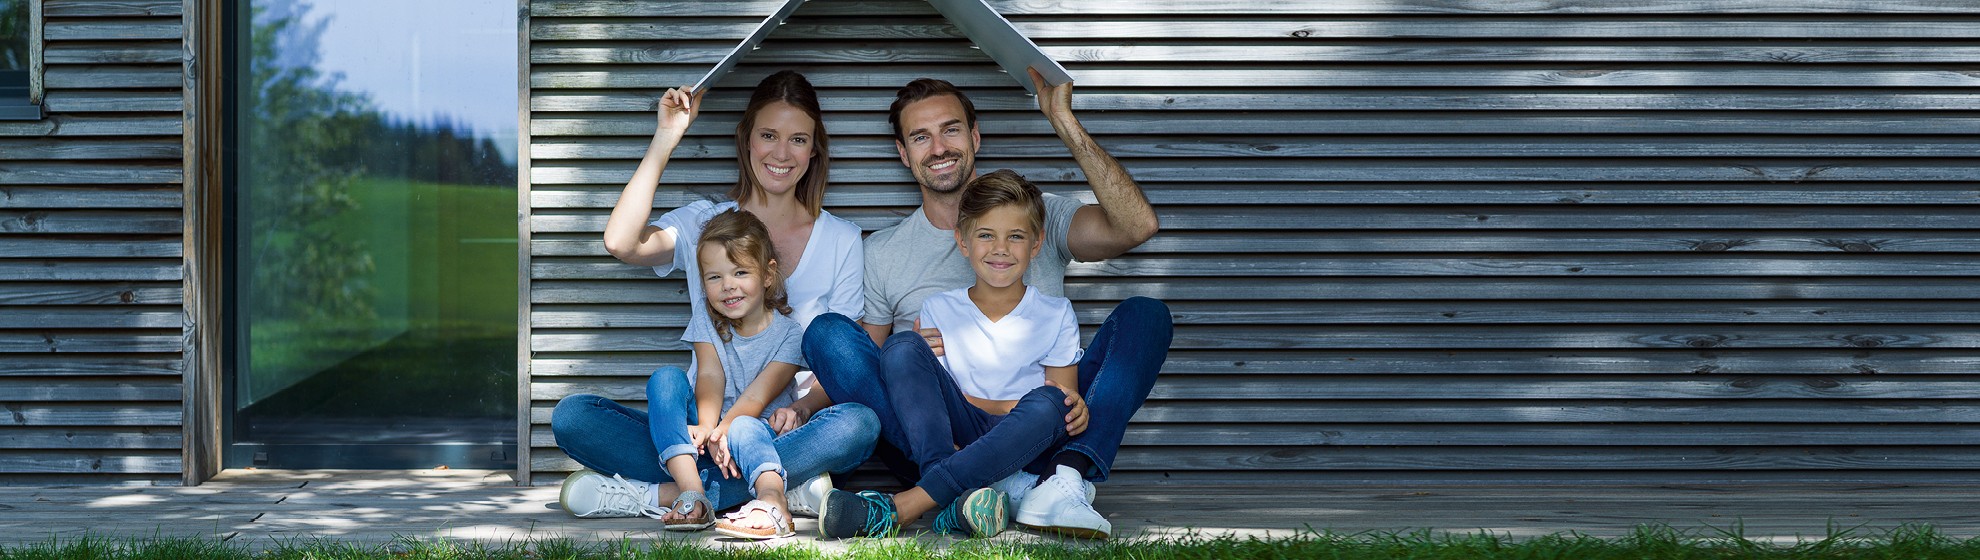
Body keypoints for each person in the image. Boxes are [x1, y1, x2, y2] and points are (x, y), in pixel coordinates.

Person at [798, 70, 1172, 540]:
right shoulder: (885, 252)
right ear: (903, 153)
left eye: (951, 129)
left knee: (1145, 317)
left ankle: (1063, 480)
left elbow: (1136, 227)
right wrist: (818, 399)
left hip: (1043, 424)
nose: (939, 147)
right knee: (829, 334)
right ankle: (974, 485)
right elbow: (861, 364)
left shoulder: (1037, 213)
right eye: (921, 137)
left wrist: (1064, 120)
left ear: (974, 136)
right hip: (938, 430)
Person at [550, 70, 877, 533]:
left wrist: (803, 409)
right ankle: (780, 489)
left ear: (814, 149)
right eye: (768, 135)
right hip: (695, 431)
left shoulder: (841, 239)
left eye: (798, 139)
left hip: (785, 430)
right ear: (747, 140)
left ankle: (667, 495)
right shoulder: (707, 222)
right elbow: (622, 243)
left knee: (859, 424)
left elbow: (841, 361)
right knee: (573, 417)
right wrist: (666, 137)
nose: (781, 153)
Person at [816, 170, 1091, 539]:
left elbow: (1063, 408)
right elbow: (932, 411)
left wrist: (1046, 407)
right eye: (986, 235)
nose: (1000, 248)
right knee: (901, 345)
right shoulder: (938, 309)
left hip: (1023, 442)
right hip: (959, 431)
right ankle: (952, 495)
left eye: (1016, 237)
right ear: (963, 242)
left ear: (1037, 243)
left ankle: (913, 502)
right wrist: (921, 365)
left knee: (1049, 402)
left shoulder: (1056, 312)